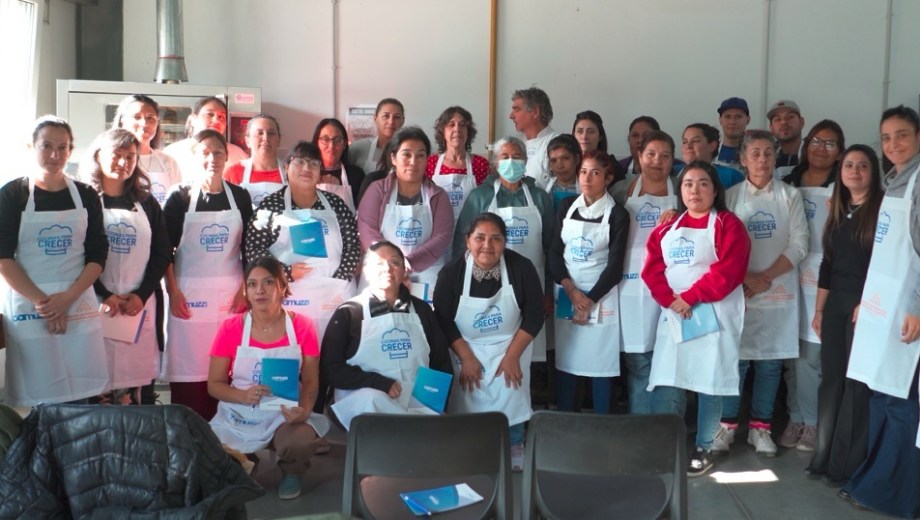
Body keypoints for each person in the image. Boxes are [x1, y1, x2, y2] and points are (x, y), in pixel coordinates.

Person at [642, 161, 751, 477]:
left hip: (711, 318)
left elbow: (728, 271)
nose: (695, 190)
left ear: (715, 190)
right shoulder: (666, 228)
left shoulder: (728, 225)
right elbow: (652, 269)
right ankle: (665, 446)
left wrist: (689, 298)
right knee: (668, 379)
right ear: (680, 191)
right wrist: (671, 301)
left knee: (709, 381)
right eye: (688, 183)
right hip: (674, 315)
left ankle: (705, 446)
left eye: (703, 183)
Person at [841, 106, 920, 518]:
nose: (893, 145)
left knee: (899, 403)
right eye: (886, 138)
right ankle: (873, 480)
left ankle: (896, 492)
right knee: (879, 395)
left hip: (907, 315)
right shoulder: (893, 182)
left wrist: (917, 309)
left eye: (902, 135)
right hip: (881, 310)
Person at [0, 116, 108, 406]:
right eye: (46, 146)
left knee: (82, 393)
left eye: (62, 147)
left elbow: (98, 253)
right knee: (40, 397)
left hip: (78, 300)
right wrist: (46, 304)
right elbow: (3, 258)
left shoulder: (85, 195)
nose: (54, 155)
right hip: (29, 304)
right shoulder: (13, 194)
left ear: (71, 151)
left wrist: (67, 299)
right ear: (31, 148)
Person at [717, 129, 809, 457]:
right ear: (742, 159)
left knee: (770, 365)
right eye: (755, 153)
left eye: (768, 153)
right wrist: (745, 278)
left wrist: (764, 277)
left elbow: (799, 243)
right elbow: (718, 247)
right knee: (736, 362)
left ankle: (760, 429)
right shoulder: (729, 197)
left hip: (777, 293)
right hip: (738, 291)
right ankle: (726, 428)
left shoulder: (790, 196)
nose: (762, 159)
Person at [208, 257, 329, 500]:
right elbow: (214, 385)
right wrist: (242, 395)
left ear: (282, 287)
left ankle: (292, 472)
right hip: (240, 412)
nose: (259, 290)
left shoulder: (303, 327)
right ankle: (245, 462)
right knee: (214, 453)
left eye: (268, 283)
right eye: (252, 284)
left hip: (283, 414)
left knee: (301, 440)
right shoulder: (231, 328)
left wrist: (304, 411)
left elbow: (311, 381)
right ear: (245, 290)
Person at [434, 213, 544, 472]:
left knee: (511, 392)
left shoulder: (521, 268)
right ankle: (471, 449)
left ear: (505, 242)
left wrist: (512, 356)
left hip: (510, 344)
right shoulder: (451, 273)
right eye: (480, 238)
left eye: (496, 239)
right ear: (467, 241)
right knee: (468, 398)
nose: (488, 245)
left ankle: (515, 445)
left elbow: (534, 315)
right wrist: (467, 358)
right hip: (465, 346)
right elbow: (443, 319)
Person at [162, 129, 253, 420]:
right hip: (188, 297)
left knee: (229, 366)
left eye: (218, 153)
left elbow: (249, 250)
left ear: (226, 157)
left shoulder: (239, 196)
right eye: (205, 153)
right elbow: (165, 251)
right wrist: (173, 292)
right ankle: (189, 428)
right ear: (195, 157)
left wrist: (244, 292)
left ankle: (230, 436)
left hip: (230, 296)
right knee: (190, 368)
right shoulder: (179, 196)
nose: (212, 158)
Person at [804, 144, 881, 486]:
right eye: (849, 165)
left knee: (855, 386)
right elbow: (828, 263)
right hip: (835, 306)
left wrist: (869, 301)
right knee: (831, 381)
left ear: (873, 173)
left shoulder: (882, 211)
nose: (855, 171)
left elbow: (884, 265)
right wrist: (819, 309)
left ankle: (845, 466)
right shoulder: (837, 210)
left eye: (863, 166)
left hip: (865, 307)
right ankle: (823, 457)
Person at [81, 128, 170, 404]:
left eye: (130, 156)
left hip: (139, 305)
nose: (123, 163)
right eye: (116, 155)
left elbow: (162, 252)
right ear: (98, 156)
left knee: (137, 387)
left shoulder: (147, 203)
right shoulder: (84, 200)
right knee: (96, 381)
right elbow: (79, 255)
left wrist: (141, 295)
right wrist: (103, 293)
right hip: (94, 303)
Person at [323, 241, 452, 430]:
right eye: (379, 264)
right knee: (372, 400)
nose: (388, 269)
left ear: (404, 270)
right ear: (366, 271)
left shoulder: (422, 310)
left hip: (416, 400)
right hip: (365, 399)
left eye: (395, 263)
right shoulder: (349, 313)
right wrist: (379, 383)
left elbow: (441, 362)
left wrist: (439, 403)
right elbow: (331, 369)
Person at [453, 136, 554, 368]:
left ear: (526, 161)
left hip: (533, 283)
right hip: (487, 286)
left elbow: (550, 246)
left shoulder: (539, 197)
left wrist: (548, 290)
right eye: (505, 157)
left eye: (517, 157)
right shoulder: (481, 196)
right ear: (495, 164)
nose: (511, 162)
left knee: (528, 348)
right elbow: (462, 244)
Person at [245, 140, 359, 344]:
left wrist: (337, 279)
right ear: (287, 166)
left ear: (320, 172)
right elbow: (254, 250)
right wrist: (284, 272)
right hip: (288, 293)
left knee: (331, 352)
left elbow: (352, 245)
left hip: (332, 294)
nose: (307, 168)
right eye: (300, 162)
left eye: (314, 164)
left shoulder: (335, 204)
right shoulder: (270, 206)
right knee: (290, 350)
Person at [777, 120, 844, 452]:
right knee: (792, 357)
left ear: (840, 152)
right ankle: (795, 418)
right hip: (788, 273)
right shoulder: (788, 181)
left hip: (824, 278)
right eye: (816, 141)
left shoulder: (843, 187)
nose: (821, 147)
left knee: (814, 356)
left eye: (830, 143)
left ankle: (814, 423)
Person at [550, 150, 629, 414]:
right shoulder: (566, 206)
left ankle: (601, 425)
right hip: (567, 293)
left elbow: (615, 266)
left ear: (607, 178)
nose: (587, 178)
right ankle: (564, 421)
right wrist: (572, 292)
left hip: (601, 297)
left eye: (595, 173)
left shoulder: (617, 214)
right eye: (583, 171)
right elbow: (554, 253)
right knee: (567, 362)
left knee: (601, 366)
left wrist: (589, 300)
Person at [611, 131, 683, 415]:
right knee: (638, 360)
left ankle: (669, 431)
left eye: (665, 156)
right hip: (630, 288)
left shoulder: (682, 190)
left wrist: (680, 217)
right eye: (651, 154)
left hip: (673, 286)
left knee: (671, 357)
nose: (657, 161)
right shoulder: (621, 190)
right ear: (639, 158)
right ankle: (640, 430)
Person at [357, 126, 453, 303]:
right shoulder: (377, 190)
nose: (413, 161)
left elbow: (442, 236)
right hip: (382, 271)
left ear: (427, 160)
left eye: (420, 155)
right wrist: (392, 266)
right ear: (393, 158)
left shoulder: (438, 196)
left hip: (425, 274)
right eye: (406, 154)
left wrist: (407, 266)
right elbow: (367, 229)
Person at [112, 94, 181, 205]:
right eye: (137, 117)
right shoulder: (114, 160)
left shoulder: (168, 162)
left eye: (150, 118)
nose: (144, 123)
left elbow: (177, 204)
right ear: (122, 122)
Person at [426, 106, 490, 225]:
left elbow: (487, 200)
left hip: (471, 229)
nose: (457, 129)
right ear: (443, 131)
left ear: (468, 132)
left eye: (462, 125)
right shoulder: (430, 163)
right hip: (436, 228)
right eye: (451, 124)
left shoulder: (481, 164)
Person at [163, 96, 248, 178]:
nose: (216, 121)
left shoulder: (238, 155)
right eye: (209, 115)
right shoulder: (172, 153)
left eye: (221, 117)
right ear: (193, 119)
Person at [223, 114, 285, 207]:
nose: (265, 138)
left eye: (271, 133)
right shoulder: (233, 173)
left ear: (279, 140)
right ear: (247, 141)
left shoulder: (290, 172)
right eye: (259, 133)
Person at [509, 87, 559, 189]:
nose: (511, 116)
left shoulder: (557, 144)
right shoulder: (514, 145)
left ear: (535, 112)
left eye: (517, 110)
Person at [313, 118, 365, 211]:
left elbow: (363, 210)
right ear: (317, 143)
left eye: (338, 140)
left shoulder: (356, 174)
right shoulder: (308, 173)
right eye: (325, 139)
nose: (331, 146)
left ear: (345, 144)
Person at [348, 98, 405, 174]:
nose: (391, 122)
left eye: (396, 117)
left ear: (403, 121)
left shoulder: (408, 151)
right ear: (375, 118)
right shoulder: (356, 149)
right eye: (386, 116)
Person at [681, 123, 744, 189]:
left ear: (712, 146)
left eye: (695, 141)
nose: (688, 146)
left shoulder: (730, 176)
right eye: (684, 142)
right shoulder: (674, 173)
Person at [572, 110, 626, 181]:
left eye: (591, 132)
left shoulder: (612, 167)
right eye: (580, 131)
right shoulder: (567, 163)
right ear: (573, 135)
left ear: (600, 137)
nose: (584, 137)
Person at [546, 134, 582, 211]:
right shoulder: (544, 189)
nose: (560, 165)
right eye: (554, 160)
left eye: (565, 158)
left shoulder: (586, 189)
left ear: (577, 159)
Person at [715, 97, 751, 170]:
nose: (732, 122)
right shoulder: (710, 151)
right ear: (720, 120)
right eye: (727, 117)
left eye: (738, 117)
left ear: (748, 120)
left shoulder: (757, 152)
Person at [768, 100, 806, 169]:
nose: (784, 122)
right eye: (778, 119)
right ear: (771, 128)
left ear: (802, 122)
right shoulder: (765, 157)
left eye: (790, 117)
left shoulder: (816, 153)